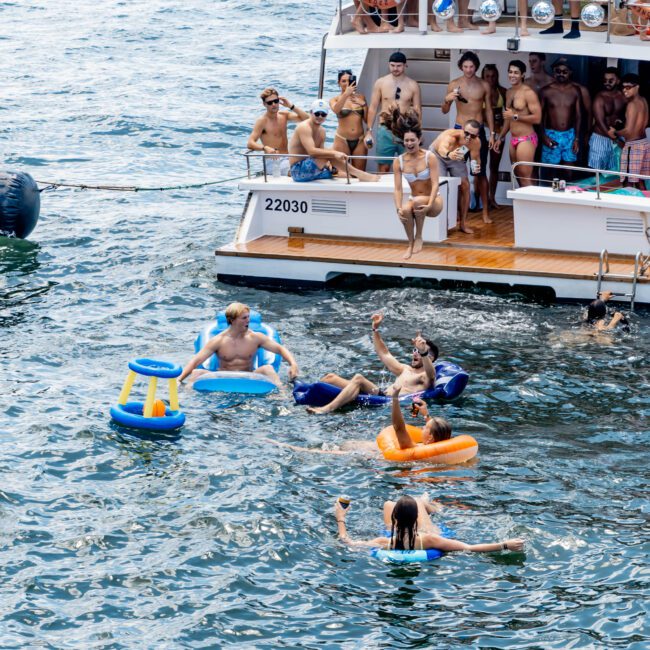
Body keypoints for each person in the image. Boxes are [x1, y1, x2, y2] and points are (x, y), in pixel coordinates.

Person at [306, 313, 437, 414]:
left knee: (358, 378)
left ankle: (326, 409)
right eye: (415, 350)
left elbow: (431, 375)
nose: (415, 353)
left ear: (429, 357)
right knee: (330, 378)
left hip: (388, 402)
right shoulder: (405, 369)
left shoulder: (425, 376)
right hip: (381, 394)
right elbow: (384, 353)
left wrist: (423, 352)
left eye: (419, 351)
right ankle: (305, 396)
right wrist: (375, 329)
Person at [334, 495, 525, 554]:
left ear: (395, 520)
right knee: (416, 500)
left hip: (396, 534)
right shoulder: (430, 540)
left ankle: (422, 503)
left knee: (387, 504)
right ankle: (427, 503)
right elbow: (470, 548)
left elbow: (347, 541)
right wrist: (504, 545)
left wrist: (340, 517)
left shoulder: (385, 541)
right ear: (415, 518)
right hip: (422, 532)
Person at [178, 302, 299, 387]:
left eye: (248, 317)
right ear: (232, 320)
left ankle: (281, 395)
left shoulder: (255, 338)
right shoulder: (219, 340)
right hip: (223, 378)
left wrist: (293, 364)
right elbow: (195, 362)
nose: (248, 321)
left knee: (268, 369)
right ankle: (188, 400)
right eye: (244, 318)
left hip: (248, 377)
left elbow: (280, 349)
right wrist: (179, 380)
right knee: (196, 373)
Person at [442, 52, 496, 226]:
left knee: (480, 172)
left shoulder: (484, 85)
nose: (468, 70)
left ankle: (485, 212)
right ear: (460, 67)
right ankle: (458, 213)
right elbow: (444, 110)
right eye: (465, 67)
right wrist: (447, 99)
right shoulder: (454, 84)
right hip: (459, 133)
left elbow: (488, 110)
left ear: (476, 66)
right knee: (459, 172)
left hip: (477, 134)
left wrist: (493, 133)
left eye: (471, 67)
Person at [384, 107, 443, 259]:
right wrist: (397, 208)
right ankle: (410, 244)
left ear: (419, 140)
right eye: (406, 140)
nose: (409, 143)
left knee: (417, 202)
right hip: (415, 200)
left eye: (412, 140)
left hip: (434, 201)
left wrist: (429, 204)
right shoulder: (399, 161)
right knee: (404, 210)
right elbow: (397, 189)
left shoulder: (429, 157)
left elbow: (436, 183)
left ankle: (419, 236)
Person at [288, 99, 379, 183]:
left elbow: (321, 153)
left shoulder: (322, 131)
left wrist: (328, 164)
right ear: (311, 112)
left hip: (313, 169)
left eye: (323, 114)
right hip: (298, 171)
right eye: (317, 113)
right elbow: (312, 151)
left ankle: (358, 176)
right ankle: (361, 174)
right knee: (330, 154)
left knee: (346, 175)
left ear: (326, 115)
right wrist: (334, 153)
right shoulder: (304, 127)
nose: (320, 116)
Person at [366, 52, 422, 173]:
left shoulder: (413, 85)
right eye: (392, 65)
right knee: (384, 167)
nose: (395, 69)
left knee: (407, 166)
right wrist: (369, 131)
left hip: (406, 130)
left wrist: (418, 132)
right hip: (385, 130)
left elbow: (417, 110)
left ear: (405, 65)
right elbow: (373, 107)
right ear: (389, 65)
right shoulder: (380, 82)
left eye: (398, 66)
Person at [496, 60, 542, 188]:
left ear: (522, 75)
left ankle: (532, 206)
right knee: (517, 174)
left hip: (526, 138)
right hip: (513, 139)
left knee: (525, 175)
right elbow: (507, 118)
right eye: (510, 72)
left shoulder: (528, 93)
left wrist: (515, 116)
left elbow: (537, 118)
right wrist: (500, 137)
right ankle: (525, 206)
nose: (512, 75)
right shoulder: (508, 92)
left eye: (516, 72)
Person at [430, 121, 482, 234]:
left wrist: (476, 167)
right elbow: (442, 149)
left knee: (465, 185)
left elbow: (475, 158)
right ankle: (439, 222)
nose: (468, 137)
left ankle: (463, 223)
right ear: (462, 129)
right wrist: (449, 154)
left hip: (457, 156)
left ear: (477, 135)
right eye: (466, 133)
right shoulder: (452, 135)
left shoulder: (475, 142)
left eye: (472, 135)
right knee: (440, 185)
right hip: (439, 155)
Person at [247, 88, 309, 176]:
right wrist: (265, 148)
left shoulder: (284, 115)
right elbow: (250, 143)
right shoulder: (262, 121)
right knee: (299, 172)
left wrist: (291, 106)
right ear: (264, 104)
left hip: (288, 158)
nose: (274, 104)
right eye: (270, 103)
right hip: (273, 162)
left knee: (314, 163)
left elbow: (307, 119)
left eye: (276, 101)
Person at [539, 58, 582, 177]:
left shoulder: (575, 90)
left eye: (564, 71)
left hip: (569, 135)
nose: (561, 74)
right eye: (558, 71)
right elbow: (540, 117)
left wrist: (577, 138)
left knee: (569, 171)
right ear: (553, 71)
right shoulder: (546, 91)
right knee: (551, 172)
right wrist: (543, 136)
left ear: (570, 73)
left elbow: (578, 116)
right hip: (551, 135)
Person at [609, 74, 649, 190]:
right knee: (639, 180)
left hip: (633, 146)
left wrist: (615, 131)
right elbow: (642, 124)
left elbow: (629, 131)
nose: (624, 90)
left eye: (628, 87)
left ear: (637, 87)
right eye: (623, 87)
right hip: (644, 143)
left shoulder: (631, 105)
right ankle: (645, 206)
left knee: (627, 182)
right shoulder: (644, 101)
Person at [330, 70, 369, 171]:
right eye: (343, 81)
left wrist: (364, 104)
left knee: (360, 173)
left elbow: (366, 120)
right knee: (341, 174)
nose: (347, 83)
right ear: (338, 83)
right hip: (342, 140)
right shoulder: (334, 99)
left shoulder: (361, 97)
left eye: (349, 80)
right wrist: (346, 94)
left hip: (359, 140)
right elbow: (336, 110)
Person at [589, 68, 625, 173]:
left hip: (617, 136)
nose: (607, 83)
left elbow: (626, 116)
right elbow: (599, 122)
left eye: (611, 80)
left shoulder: (623, 96)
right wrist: (616, 139)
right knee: (597, 173)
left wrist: (621, 128)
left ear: (618, 81)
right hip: (600, 138)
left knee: (616, 173)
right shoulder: (599, 97)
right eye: (605, 80)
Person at [481, 64, 507, 208]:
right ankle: (481, 199)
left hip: (498, 132)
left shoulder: (502, 91)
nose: (491, 79)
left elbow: (507, 115)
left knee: (494, 167)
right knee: (480, 167)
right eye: (487, 76)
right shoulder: (479, 91)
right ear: (483, 77)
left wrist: (502, 133)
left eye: (493, 76)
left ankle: (492, 198)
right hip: (483, 131)